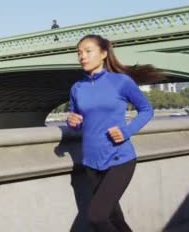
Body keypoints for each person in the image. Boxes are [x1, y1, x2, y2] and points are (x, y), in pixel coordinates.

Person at [66, 34, 164, 232]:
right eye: (79, 53)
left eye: (87, 51)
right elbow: (77, 121)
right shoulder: (77, 88)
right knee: (115, 219)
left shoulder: (121, 82)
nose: (82, 56)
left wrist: (126, 131)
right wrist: (72, 121)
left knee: (97, 217)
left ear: (103, 54)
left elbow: (147, 109)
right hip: (91, 163)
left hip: (120, 159)